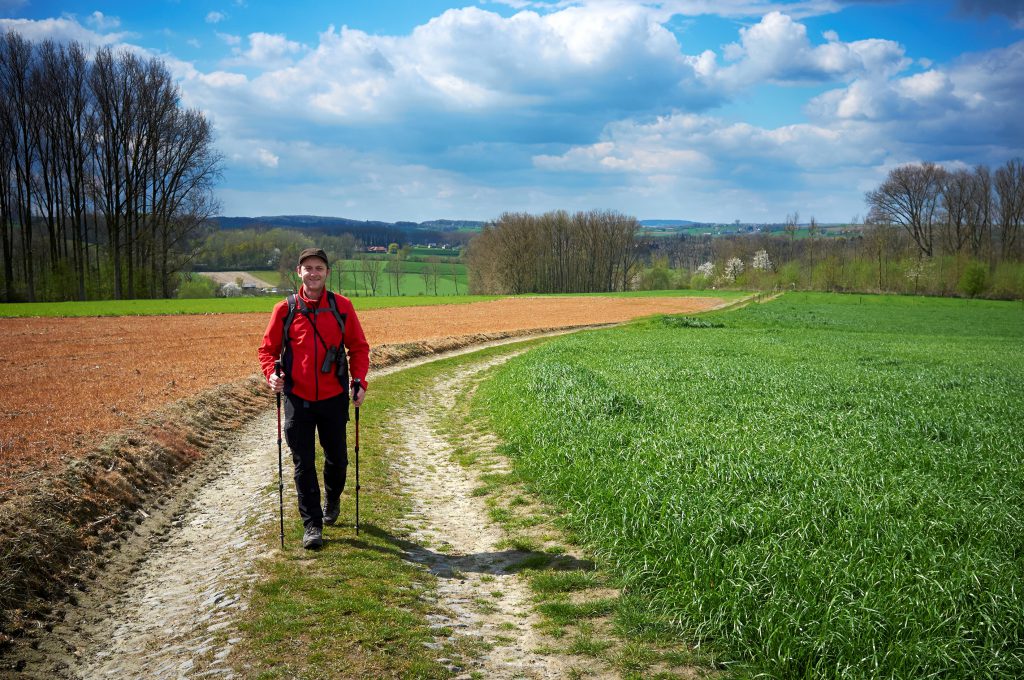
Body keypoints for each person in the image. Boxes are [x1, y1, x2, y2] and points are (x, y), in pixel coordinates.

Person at [258, 248, 370, 549]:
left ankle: (332, 501)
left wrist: (359, 381)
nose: (314, 273)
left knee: (338, 460)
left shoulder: (341, 307)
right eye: (308, 268)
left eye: (319, 267)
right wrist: (272, 374)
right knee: (302, 464)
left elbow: (358, 348)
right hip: (297, 398)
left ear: (327, 272)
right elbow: (267, 351)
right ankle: (312, 525)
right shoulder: (285, 309)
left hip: (334, 396)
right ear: (299, 272)